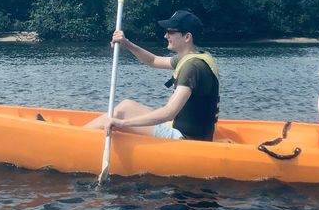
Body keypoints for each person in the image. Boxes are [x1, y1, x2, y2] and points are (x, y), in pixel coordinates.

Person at [85, 9, 220, 141]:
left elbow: (169, 113)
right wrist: (126, 43)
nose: (166, 36)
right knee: (126, 106)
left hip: (185, 139)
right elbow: (153, 60)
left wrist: (122, 123)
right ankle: (83, 133)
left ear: (187, 37)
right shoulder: (193, 57)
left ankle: (79, 137)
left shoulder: (192, 67)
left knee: (122, 112)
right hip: (187, 131)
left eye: (171, 32)